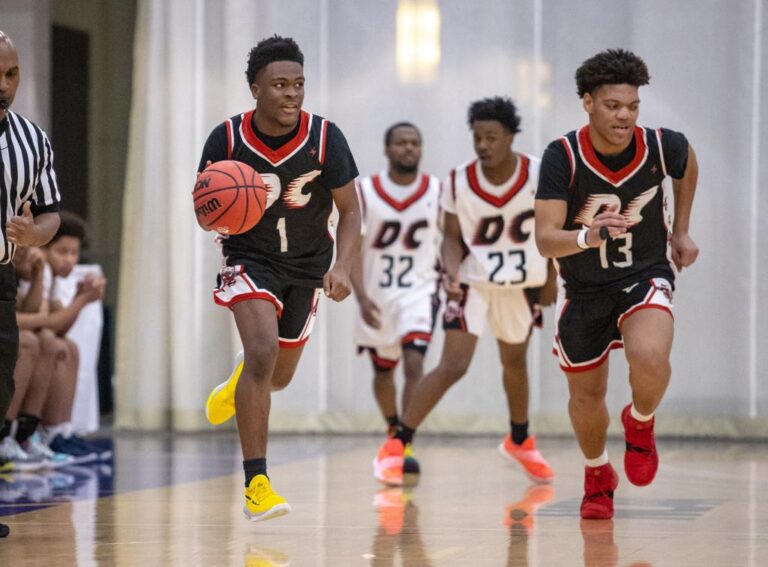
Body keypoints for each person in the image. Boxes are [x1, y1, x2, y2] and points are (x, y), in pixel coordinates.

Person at [197, 35, 360, 522]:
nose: (292, 94)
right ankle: (257, 483)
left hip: (308, 264)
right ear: (255, 89)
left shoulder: (325, 137)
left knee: (277, 376)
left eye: (299, 85)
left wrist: (343, 266)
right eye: (280, 85)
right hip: (250, 257)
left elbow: (352, 210)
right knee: (265, 353)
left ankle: (241, 376)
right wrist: (227, 211)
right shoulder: (226, 139)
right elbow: (207, 207)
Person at [534, 49, 699, 519]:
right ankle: (597, 473)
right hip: (584, 288)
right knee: (587, 397)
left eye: (632, 106)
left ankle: (640, 422)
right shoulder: (561, 156)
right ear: (587, 103)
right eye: (613, 106)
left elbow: (687, 162)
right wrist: (589, 235)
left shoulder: (662, 145)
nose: (624, 115)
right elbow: (546, 240)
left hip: (643, 274)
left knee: (650, 355)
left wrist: (681, 229)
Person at [374, 97, 556, 487]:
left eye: (492, 137)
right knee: (453, 365)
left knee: (515, 363)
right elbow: (451, 238)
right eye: (477, 137)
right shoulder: (457, 180)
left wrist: (553, 275)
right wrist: (452, 273)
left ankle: (520, 439)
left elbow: (554, 227)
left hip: (522, 284)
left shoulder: (540, 174)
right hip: (474, 282)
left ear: (510, 137)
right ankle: (397, 444)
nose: (484, 145)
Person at [351, 122, 441, 475]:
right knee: (383, 370)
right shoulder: (365, 191)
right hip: (376, 293)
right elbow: (352, 248)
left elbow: (452, 238)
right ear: (387, 149)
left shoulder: (437, 190)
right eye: (401, 143)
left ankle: (404, 440)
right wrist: (360, 296)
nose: (409, 148)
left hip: (420, 290)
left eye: (415, 142)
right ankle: (392, 426)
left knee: (415, 362)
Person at [0, 30, 62, 539]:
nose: (4, 84)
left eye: (11, 74)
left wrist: (34, 235)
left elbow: (51, 214)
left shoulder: (32, 139)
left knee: (2, 384)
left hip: (1, 278)